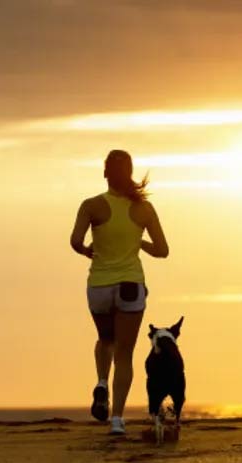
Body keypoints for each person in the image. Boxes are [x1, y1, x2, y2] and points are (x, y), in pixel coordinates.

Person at [70, 150, 169, 435]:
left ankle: (102, 383)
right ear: (130, 174)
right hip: (130, 286)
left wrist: (88, 251)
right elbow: (162, 250)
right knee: (124, 354)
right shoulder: (144, 209)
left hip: (99, 286)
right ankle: (116, 420)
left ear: (105, 174)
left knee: (105, 339)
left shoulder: (91, 205)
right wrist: (139, 244)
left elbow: (76, 241)